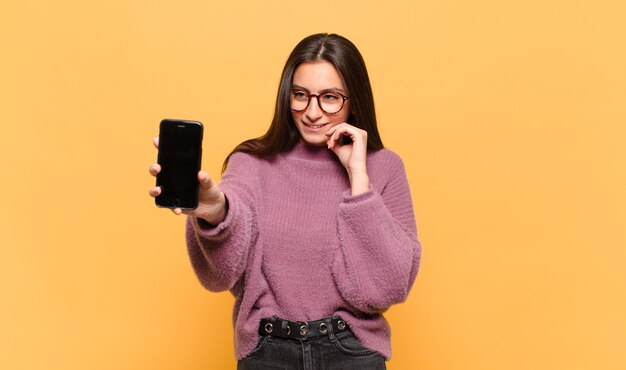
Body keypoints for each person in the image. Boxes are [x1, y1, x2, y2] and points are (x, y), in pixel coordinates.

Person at [148, 33, 422, 370]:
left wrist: (359, 180)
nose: (312, 112)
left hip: (350, 353)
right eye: (301, 95)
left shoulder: (385, 167)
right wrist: (216, 214)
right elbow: (218, 274)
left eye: (330, 98)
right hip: (268, 352)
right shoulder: (252, 163)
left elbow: (388, 287)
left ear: (354, 100)